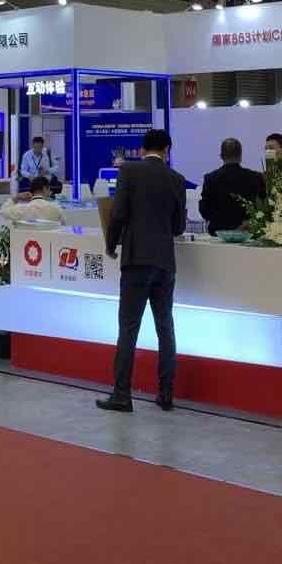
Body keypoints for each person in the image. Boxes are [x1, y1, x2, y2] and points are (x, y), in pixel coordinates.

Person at [98, 129, 186, 414]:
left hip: (136, 259)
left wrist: (111, 245)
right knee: (165, 327)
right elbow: (179, 227)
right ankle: (166, 393)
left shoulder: (129, 171)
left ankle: (122, 395)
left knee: (128, 329)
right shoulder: (176, 179)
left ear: (142, 148)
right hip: (165, 262)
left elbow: (118, 214)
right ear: (167, 150)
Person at [197, 137, 265, 235]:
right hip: (248, 234)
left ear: (221, 156)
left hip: (218, 234)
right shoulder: (256, 177)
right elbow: (262, 208)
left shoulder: (210, 178)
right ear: (240, 156)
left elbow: (205, 210)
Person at [0, 175, 67, 225]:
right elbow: (63, 226)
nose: (50, 192)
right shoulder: (56, 209)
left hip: (26, 240)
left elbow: (3, 211)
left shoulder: (22, 209)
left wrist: (16, 197)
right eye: (49, 190)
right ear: (44, 189)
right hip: (50, 240)